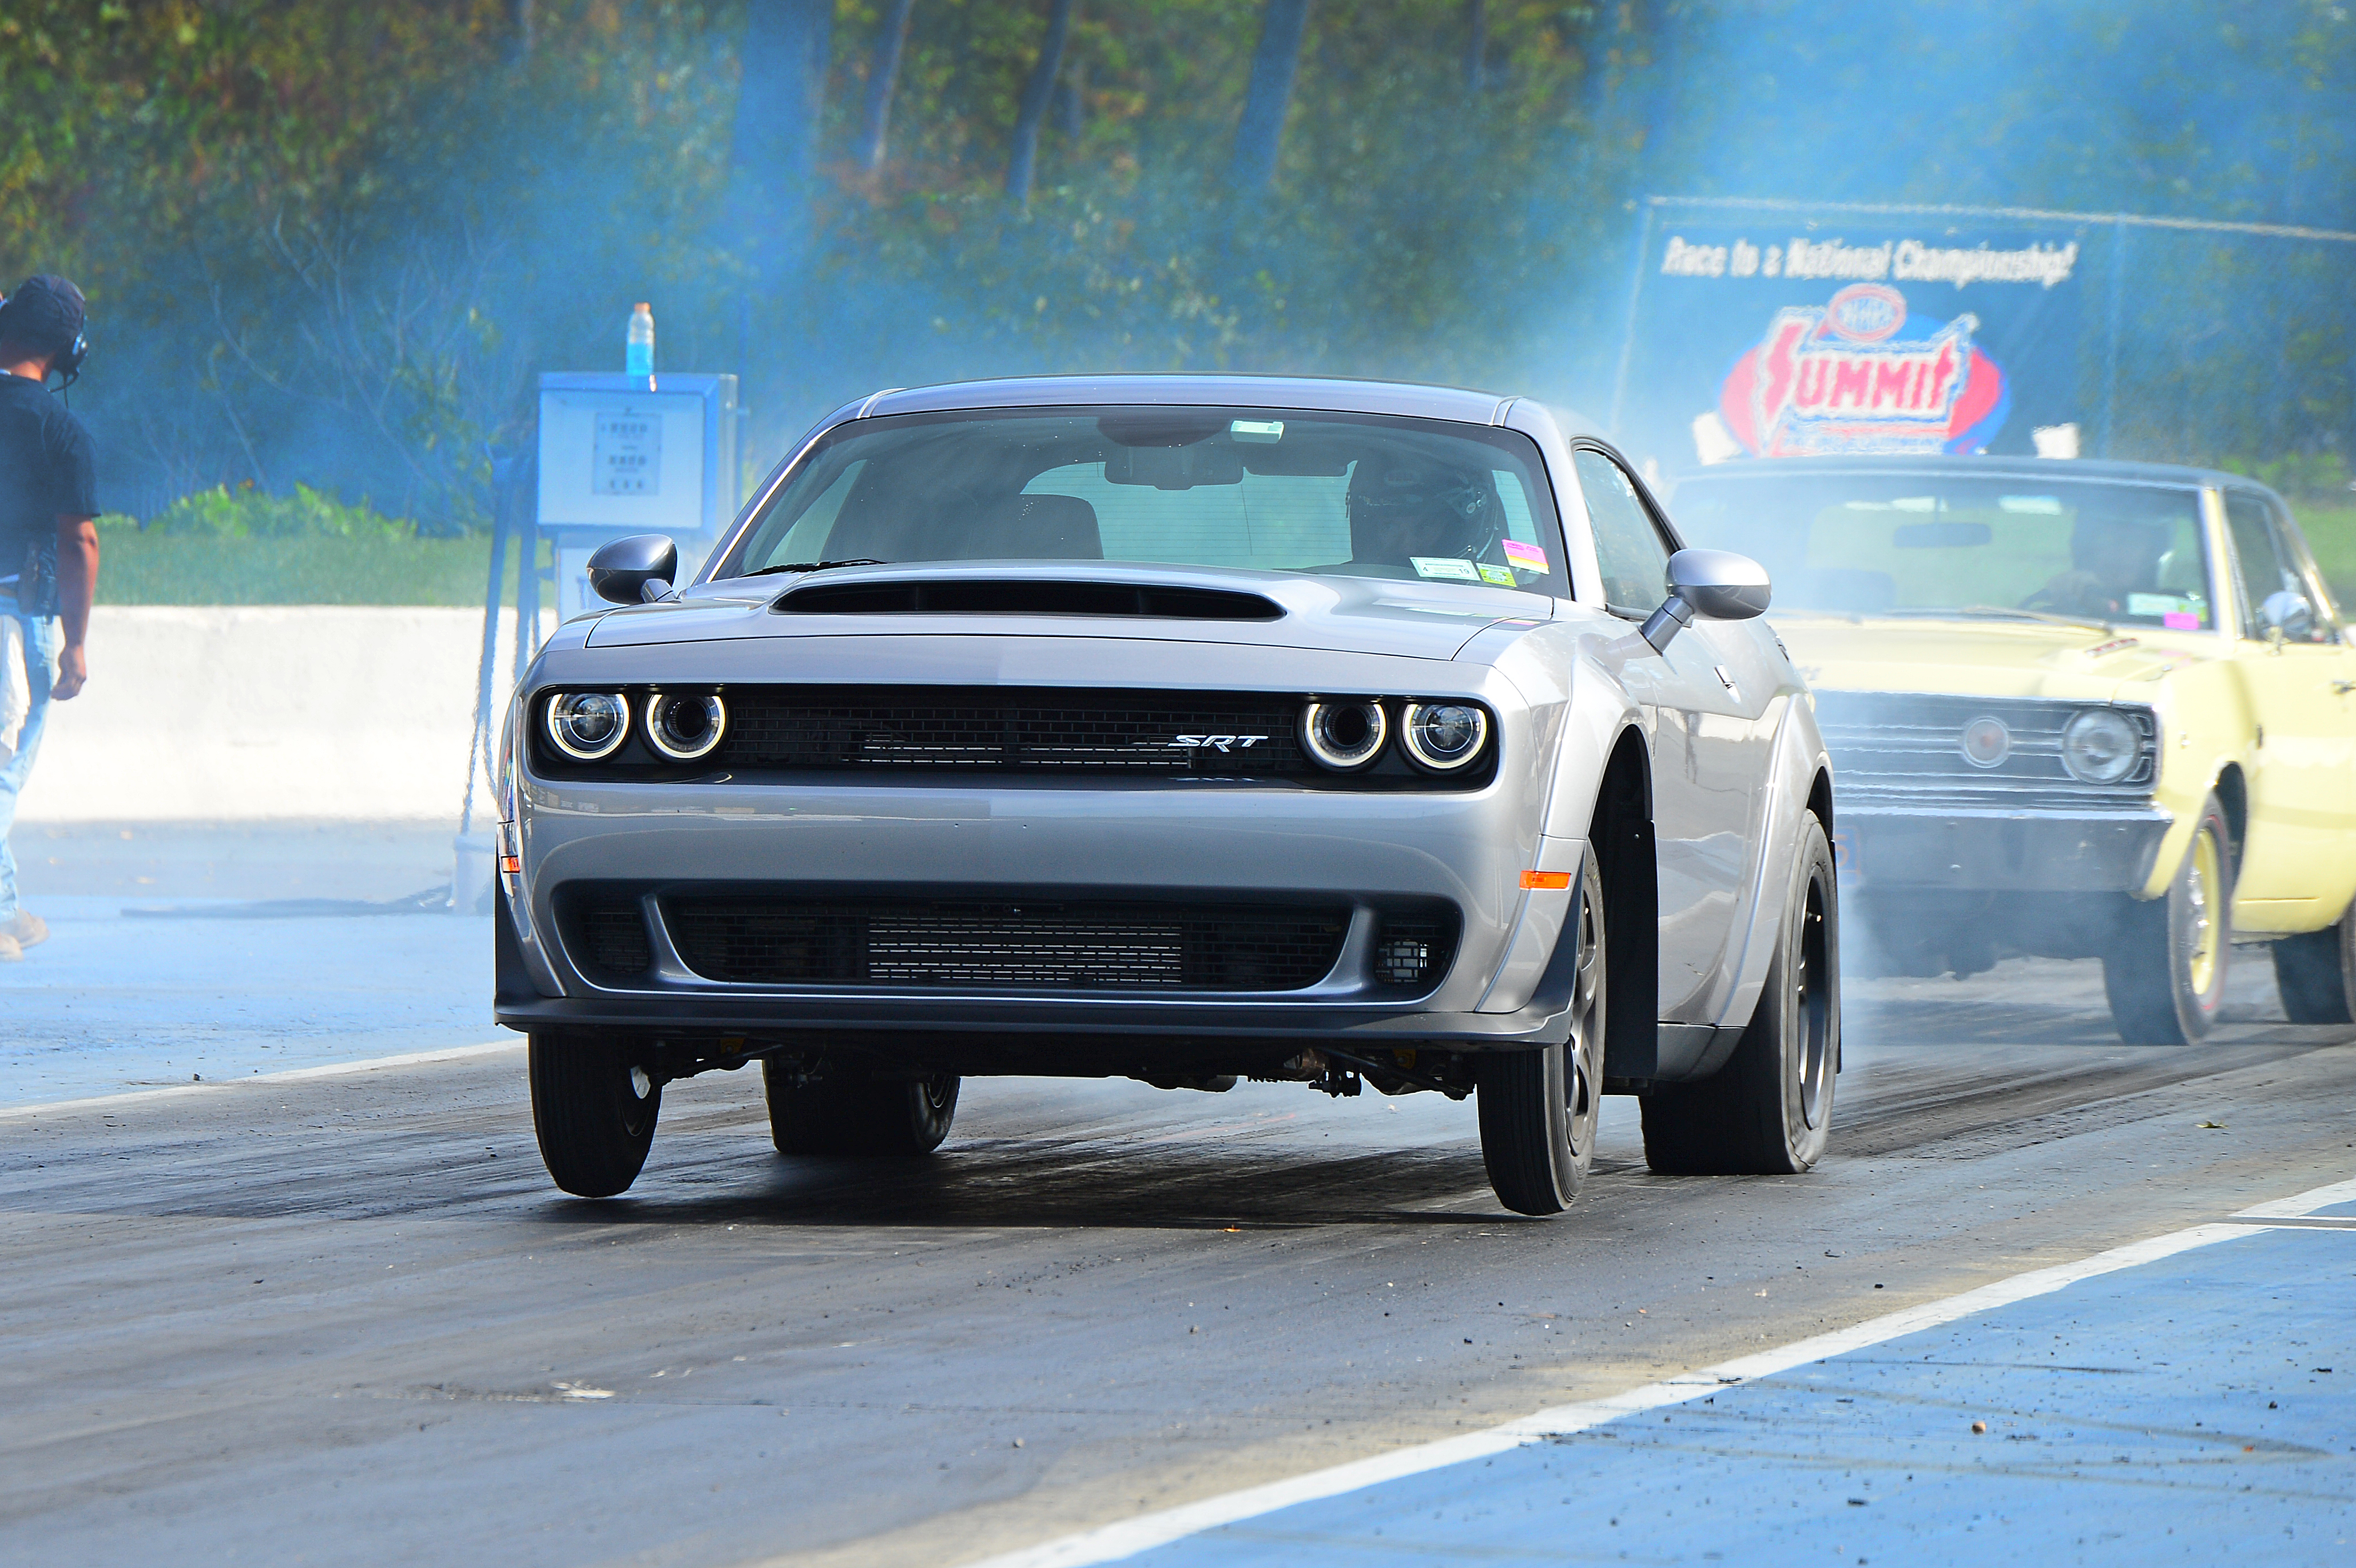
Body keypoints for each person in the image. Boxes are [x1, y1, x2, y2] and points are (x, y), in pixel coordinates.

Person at [0, 275, 99, 962]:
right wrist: (76, 644)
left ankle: (5, 907)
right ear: (70, 354)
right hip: (15, 614)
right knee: (3, 771)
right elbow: (79, 543)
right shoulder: (60, 429)